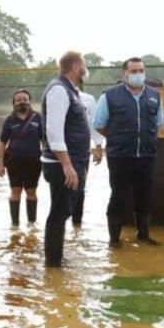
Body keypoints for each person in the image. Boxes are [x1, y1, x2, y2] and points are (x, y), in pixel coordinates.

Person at [93, 57, 164, 246]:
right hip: (120, 157)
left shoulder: (154, 95)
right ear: (124, 73)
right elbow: (99, 124)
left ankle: (144, 235)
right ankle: (114, 240)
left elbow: (158, 123)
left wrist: (146, 140)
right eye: (133, 71)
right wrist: (117, 138)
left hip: (146, 156)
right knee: (118, 196)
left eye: (141, 70)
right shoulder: (109, 96)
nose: (138, 74)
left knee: (145, 196)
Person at [40, 51, 91, 267]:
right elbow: (54, 132)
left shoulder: (70, 90)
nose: (86, 69)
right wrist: (67, 165)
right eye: (84, 64)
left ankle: (56, 256)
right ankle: (53, 265)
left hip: (71, 162)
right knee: (59, 213)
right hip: (62, 164)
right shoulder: (59, 90)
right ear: (76, 66)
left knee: (63, 212)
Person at [0, 89, 44, 227]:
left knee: (31, 192)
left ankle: (31, 224)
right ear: (13, 103)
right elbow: (2, 143)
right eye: (18, 100)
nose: (22, 102)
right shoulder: (9, 120)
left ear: (30, 101)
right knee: (15, 191)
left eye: (25, 99)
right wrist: (0, 164)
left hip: (34, 162)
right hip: (13, 162)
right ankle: (15, 225)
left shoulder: (38, 118)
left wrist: (49, 160)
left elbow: (44, 141)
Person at [71, 81, 104, 227]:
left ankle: (76, 225)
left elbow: (94, 124)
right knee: (60, 188)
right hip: (60, 151)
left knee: (80, 186)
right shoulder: (55, 95)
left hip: (82, 150)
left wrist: (98, 147)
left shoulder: (88, 99)